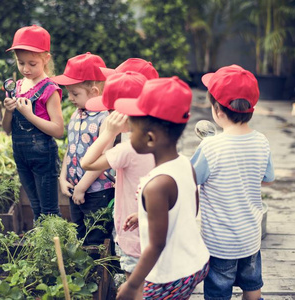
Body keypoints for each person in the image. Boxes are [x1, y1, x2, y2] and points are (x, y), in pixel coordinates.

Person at [115, 77, 210, 300]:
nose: (129, 134)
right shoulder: (185, 163)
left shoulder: (156, 185)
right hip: (195, 262)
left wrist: (132, 285)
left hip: (169, 275)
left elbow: (157, 244)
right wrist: (147, 215)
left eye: (132, 129)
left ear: (150, 138)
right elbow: (189, 209)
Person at [190, 65, 275, 300]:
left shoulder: (210, 146)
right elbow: (267, 179)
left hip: (219, 244)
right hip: (250, 238)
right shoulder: (262, 141)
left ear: (216, 110)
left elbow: (191, 179)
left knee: (218, 290)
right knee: (252, 284)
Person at [81, 71, 154, 300]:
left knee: (136, 290)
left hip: (134, 238)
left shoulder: (128, 147)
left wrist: (108, 132)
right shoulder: (157, 137)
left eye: (109, 112)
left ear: (119, 114)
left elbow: (88, 162)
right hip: (158, 230)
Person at [51, 52, 114, 245]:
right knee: (80, 236)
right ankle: (86, 274)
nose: (69, 98)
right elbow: (71, 150)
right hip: (75, 189)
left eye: (75, 93)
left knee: (97, 238)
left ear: (95, 91)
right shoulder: (76, 115)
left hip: (96, 192)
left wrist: (82, 187)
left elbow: (103, 161)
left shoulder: (106, 119)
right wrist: (63, 178)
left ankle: (102, 274)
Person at [2, 25, 64, 221]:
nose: (26, 69)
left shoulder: (50, 89)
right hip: (21, 156)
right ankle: (41, 247)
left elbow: (58, 130)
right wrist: (8, 110)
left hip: (43, 156)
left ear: (46, 59)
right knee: (35, 207)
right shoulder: (17, 86)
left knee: (49, 211)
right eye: (21, 63)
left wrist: (29, 114)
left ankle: (56, 248)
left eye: (32, 63)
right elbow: (6, 129)